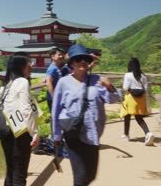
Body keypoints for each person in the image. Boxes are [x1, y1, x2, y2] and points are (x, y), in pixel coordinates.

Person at [52, 44, 121, 186]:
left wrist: (110, 86)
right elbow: (56, 110)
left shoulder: (97, 80)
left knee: (91, 175)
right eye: (78, 59)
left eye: (85, 59)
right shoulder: (63, 83)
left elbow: (114, 99)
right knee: (80, 177)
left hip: (93, 134)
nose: (82, 61)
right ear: (71, 63)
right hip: (73, 133)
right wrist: (57, 135)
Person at [0, 54, 40, 186]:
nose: (32, 65)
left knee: (10, 170)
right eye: (29, 63)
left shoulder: (9, 83)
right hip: (20, 132)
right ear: (22, 66)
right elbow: (26, 110)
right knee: (20, 173)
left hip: (6, 130)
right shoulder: (22, 82)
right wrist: (34, 133)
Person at [120, 58, 154, 146]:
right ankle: (148, 133)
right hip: (140, 99)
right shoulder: (143, 76)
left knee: (127, 115)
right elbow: (146, 88)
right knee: (139, 118)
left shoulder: (128, 75)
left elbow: (125, 88)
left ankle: (126, 135)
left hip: (130, 98)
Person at [46, 47, 64, 112]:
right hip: (53, 99)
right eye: (59, 55)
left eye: (62, 55)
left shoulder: (57, 67)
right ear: (52, 56)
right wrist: (54, 97)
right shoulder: (52, 68)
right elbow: (49, 83)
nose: (61, 56)